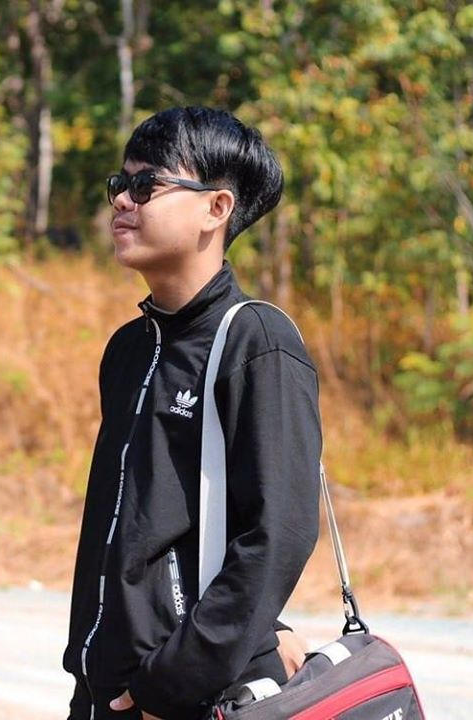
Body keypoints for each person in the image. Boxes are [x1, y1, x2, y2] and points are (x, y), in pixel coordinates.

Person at [61, 106, 322, 720]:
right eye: (119, 183)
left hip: (185, 698)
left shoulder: (258, 341)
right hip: (104, 691)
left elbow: (279, 532)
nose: (122, 200)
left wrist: (178, 680)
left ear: (217, 208)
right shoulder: (129, 349)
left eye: (146, 185)